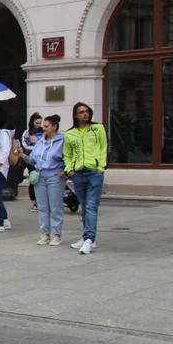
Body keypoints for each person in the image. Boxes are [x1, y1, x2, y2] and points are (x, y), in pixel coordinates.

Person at [64, 101, 108, 255]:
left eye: (87, 111)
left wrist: (101, 166)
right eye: (81, 112)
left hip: (94, 172)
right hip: (78, 174)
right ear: (76, 115)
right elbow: (67, 154)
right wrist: (69, 169)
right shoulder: (70, 134)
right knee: (84, 206)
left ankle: (89, 238)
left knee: (91, 206)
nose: (85, 114)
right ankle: (87, 237)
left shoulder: (97, 128)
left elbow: (103, 147)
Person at [21, 114, 66, 246]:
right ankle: (45, 233)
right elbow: (33, 160)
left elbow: (68, 157)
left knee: (55, 207)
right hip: (40, 177)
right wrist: (22, 155)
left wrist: (65, 172)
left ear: (54, 127)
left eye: (46, 126)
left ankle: (57, 234)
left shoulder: (62, 140)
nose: (43, 128)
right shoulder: (40, 141)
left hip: (55, 177)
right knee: (42, 207)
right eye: (43, 126)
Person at [20, 113, 43, 211]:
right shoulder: (27, 133)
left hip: (42, 159)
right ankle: (34, 202)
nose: (39, 125)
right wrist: (36, 147)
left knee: (42, 180)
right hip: (31, 159)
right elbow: (25, 145)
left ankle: (41, 200)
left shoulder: (43, 132)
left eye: (40, 123)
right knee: (33, 179)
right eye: (37, 123)